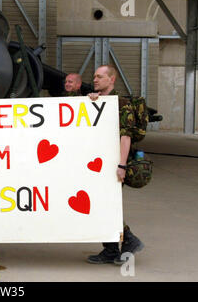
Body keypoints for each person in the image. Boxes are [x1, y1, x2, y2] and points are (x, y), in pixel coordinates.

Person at [86, 65, 144, 265]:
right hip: (100, 163)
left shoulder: (122, 105)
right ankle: (110, 249)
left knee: (107, 205)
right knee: (101, 205)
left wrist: (121, 165)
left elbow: (125, 137)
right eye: (94, 76)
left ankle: (129, 240)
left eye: (100, 77)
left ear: (112, 79)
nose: (95, 80)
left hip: (115, 163)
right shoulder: (102, 101)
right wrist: (94, 101)